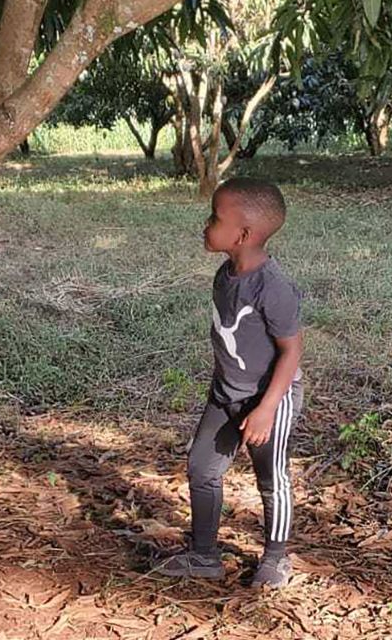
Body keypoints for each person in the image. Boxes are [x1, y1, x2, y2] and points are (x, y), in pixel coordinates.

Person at [154, 178, 305, 589]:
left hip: (269, 398)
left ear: (242, 234)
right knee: (202, 468)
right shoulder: (225, 273)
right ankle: (204, 555)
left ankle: (276, 557)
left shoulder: (274, 288)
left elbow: (291, 352)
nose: (205, 224)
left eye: (214, 218)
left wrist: (267, 408)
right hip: (226, 395)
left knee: (271, 477)